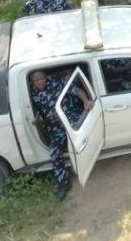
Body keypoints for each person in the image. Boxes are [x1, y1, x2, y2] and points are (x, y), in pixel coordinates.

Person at [28, 68, 94, 202]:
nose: (39, 82)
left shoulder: (57, 82)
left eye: (42, 79)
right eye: (36, 81)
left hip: (71, 119)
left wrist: (86, 100)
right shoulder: (31, 93)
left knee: (82, 140)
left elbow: (76, 90)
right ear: (32, 82)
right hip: (55, 126)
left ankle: (87, 166)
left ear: (46, 77)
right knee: (54, 152)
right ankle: (63, 183)